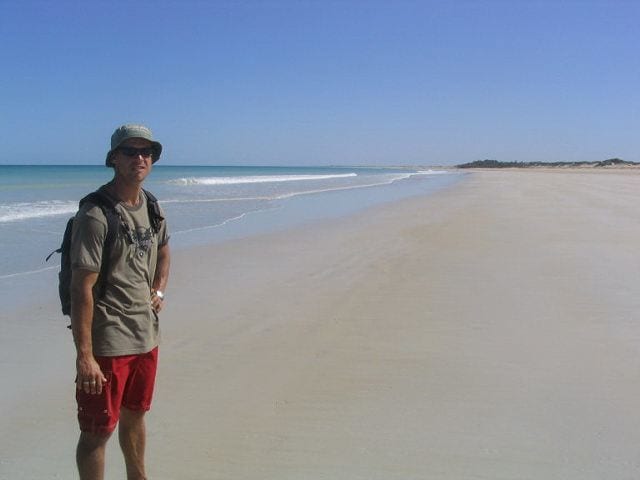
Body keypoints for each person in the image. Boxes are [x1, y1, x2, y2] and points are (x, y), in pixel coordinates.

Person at [70, 124, 170, 480]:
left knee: (136, 415)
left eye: (146, 152)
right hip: (108, 343)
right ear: (114, 159)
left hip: (146, 337)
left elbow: (164, 249)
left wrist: (158, 290)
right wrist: (85, 356)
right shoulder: (96, 215)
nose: (139, 159)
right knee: (97, 431)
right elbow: (81, 288)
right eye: (130, 152)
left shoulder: (152, 205)